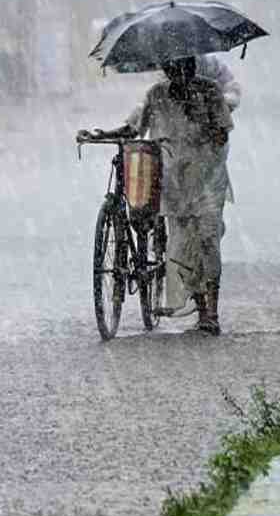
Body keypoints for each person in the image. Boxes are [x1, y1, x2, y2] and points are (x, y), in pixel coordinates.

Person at [80, 55, 234, 335]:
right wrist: (106, 133)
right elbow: (136, 126)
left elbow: (222, 133)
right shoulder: (157, 93)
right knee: (182, 246)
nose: (177, 72)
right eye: (171, 68)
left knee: (208, 241)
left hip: (207, 177)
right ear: (165, 70)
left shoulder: (210, 91)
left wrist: (200, 120)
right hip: (174, 180)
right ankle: (201, 308)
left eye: (183, 66)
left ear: (191, 66)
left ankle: (211, 312)